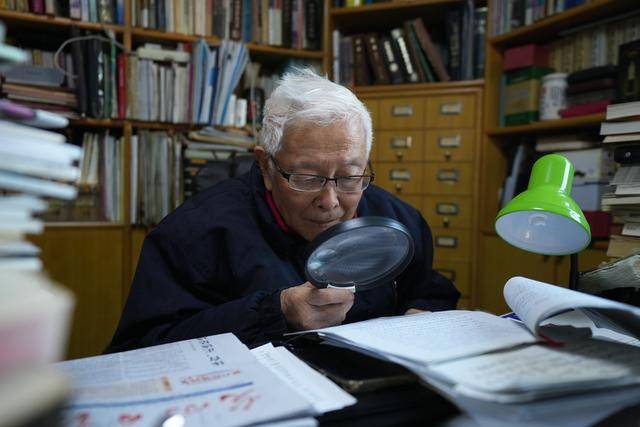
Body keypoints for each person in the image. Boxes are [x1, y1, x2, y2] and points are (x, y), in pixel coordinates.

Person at [106, 69, 459, 353]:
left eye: (350, 176)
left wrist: (424, 314)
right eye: (307, 177)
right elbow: (141, 348)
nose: (330, 200)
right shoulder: (193, 235)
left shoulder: (399, 220)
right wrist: (276, 313)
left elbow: (429, 289)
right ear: (266, 166)